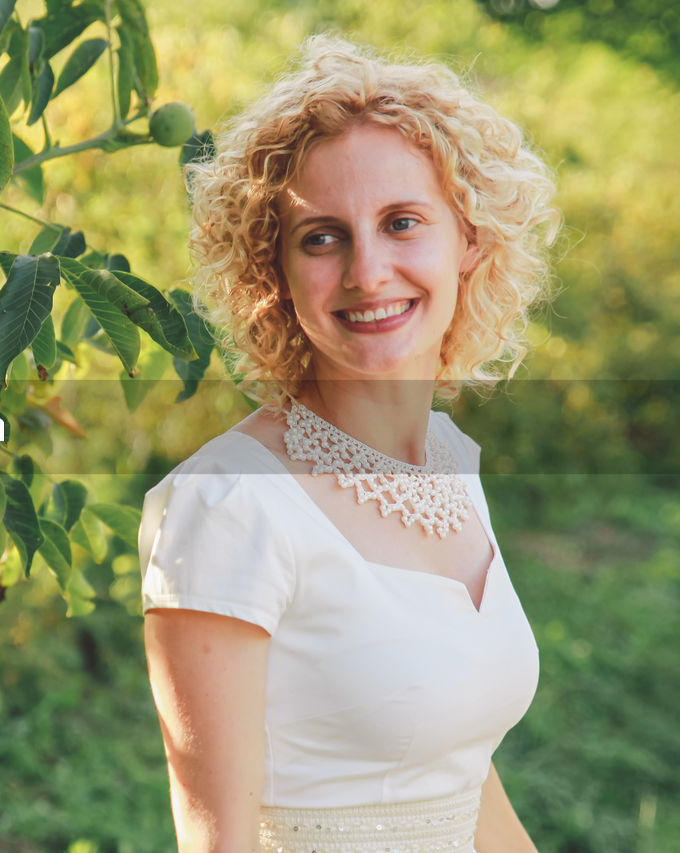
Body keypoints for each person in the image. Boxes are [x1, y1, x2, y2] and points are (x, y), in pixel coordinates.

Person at [139, 36, 559, 853]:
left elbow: (463, 782)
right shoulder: (227, 503)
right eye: (323, 237)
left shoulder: (448, 461)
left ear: (468, 240)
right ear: (276, 271)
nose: (368, 272)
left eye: (402, 223)